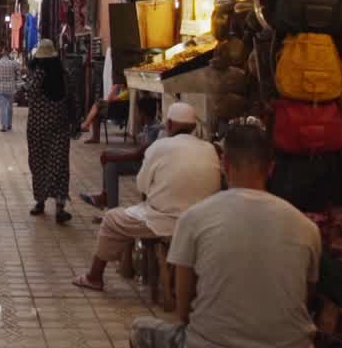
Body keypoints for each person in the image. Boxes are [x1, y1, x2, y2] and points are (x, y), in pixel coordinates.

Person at [130, 119, 322, 348]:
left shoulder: (194, 218)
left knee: (139, 330)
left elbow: (184, 310)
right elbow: (305, 298)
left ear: (224, 164)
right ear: (271, 168)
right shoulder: (307, 228)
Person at [73, 103, 220, 292]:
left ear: (169, 124)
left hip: (166, 221)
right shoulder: (209, 148)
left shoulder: (160, 145)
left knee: (112, 219)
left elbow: (141, 185)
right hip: (203, 221)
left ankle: (94, 277)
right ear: (193, 127)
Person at [20, 39, 72, 223]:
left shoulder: (39, 74)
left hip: (39, 128)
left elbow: (30, 93)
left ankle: (42, 202)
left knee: (39, 163)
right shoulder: (62, 75)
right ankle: (58, 206)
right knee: (59, 165)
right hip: (58, 127)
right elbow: (72, 98)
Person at [0, 50, 21, 132]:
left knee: (3, 108)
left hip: (0, 88)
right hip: (11, 88)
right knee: (10, 107)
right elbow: (19, 69)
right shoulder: (13, 63)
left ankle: (4, 125)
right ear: (9, 56)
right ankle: (9, 125)